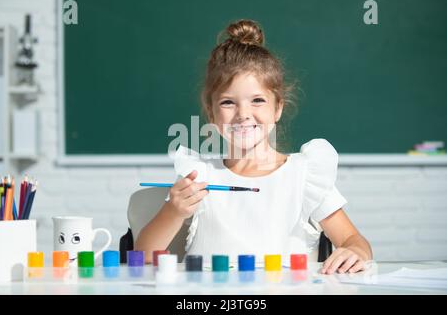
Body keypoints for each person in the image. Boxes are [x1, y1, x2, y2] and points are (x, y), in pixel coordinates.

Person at [135, 19, 372, 274]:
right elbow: (143, 256)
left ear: (278, 107)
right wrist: (174, 211)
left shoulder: (305, 175)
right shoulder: (200, 175)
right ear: (211, 113)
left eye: (257, 100)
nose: (243, 114)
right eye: (228, 103)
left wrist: (355, 251)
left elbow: (355, 242)